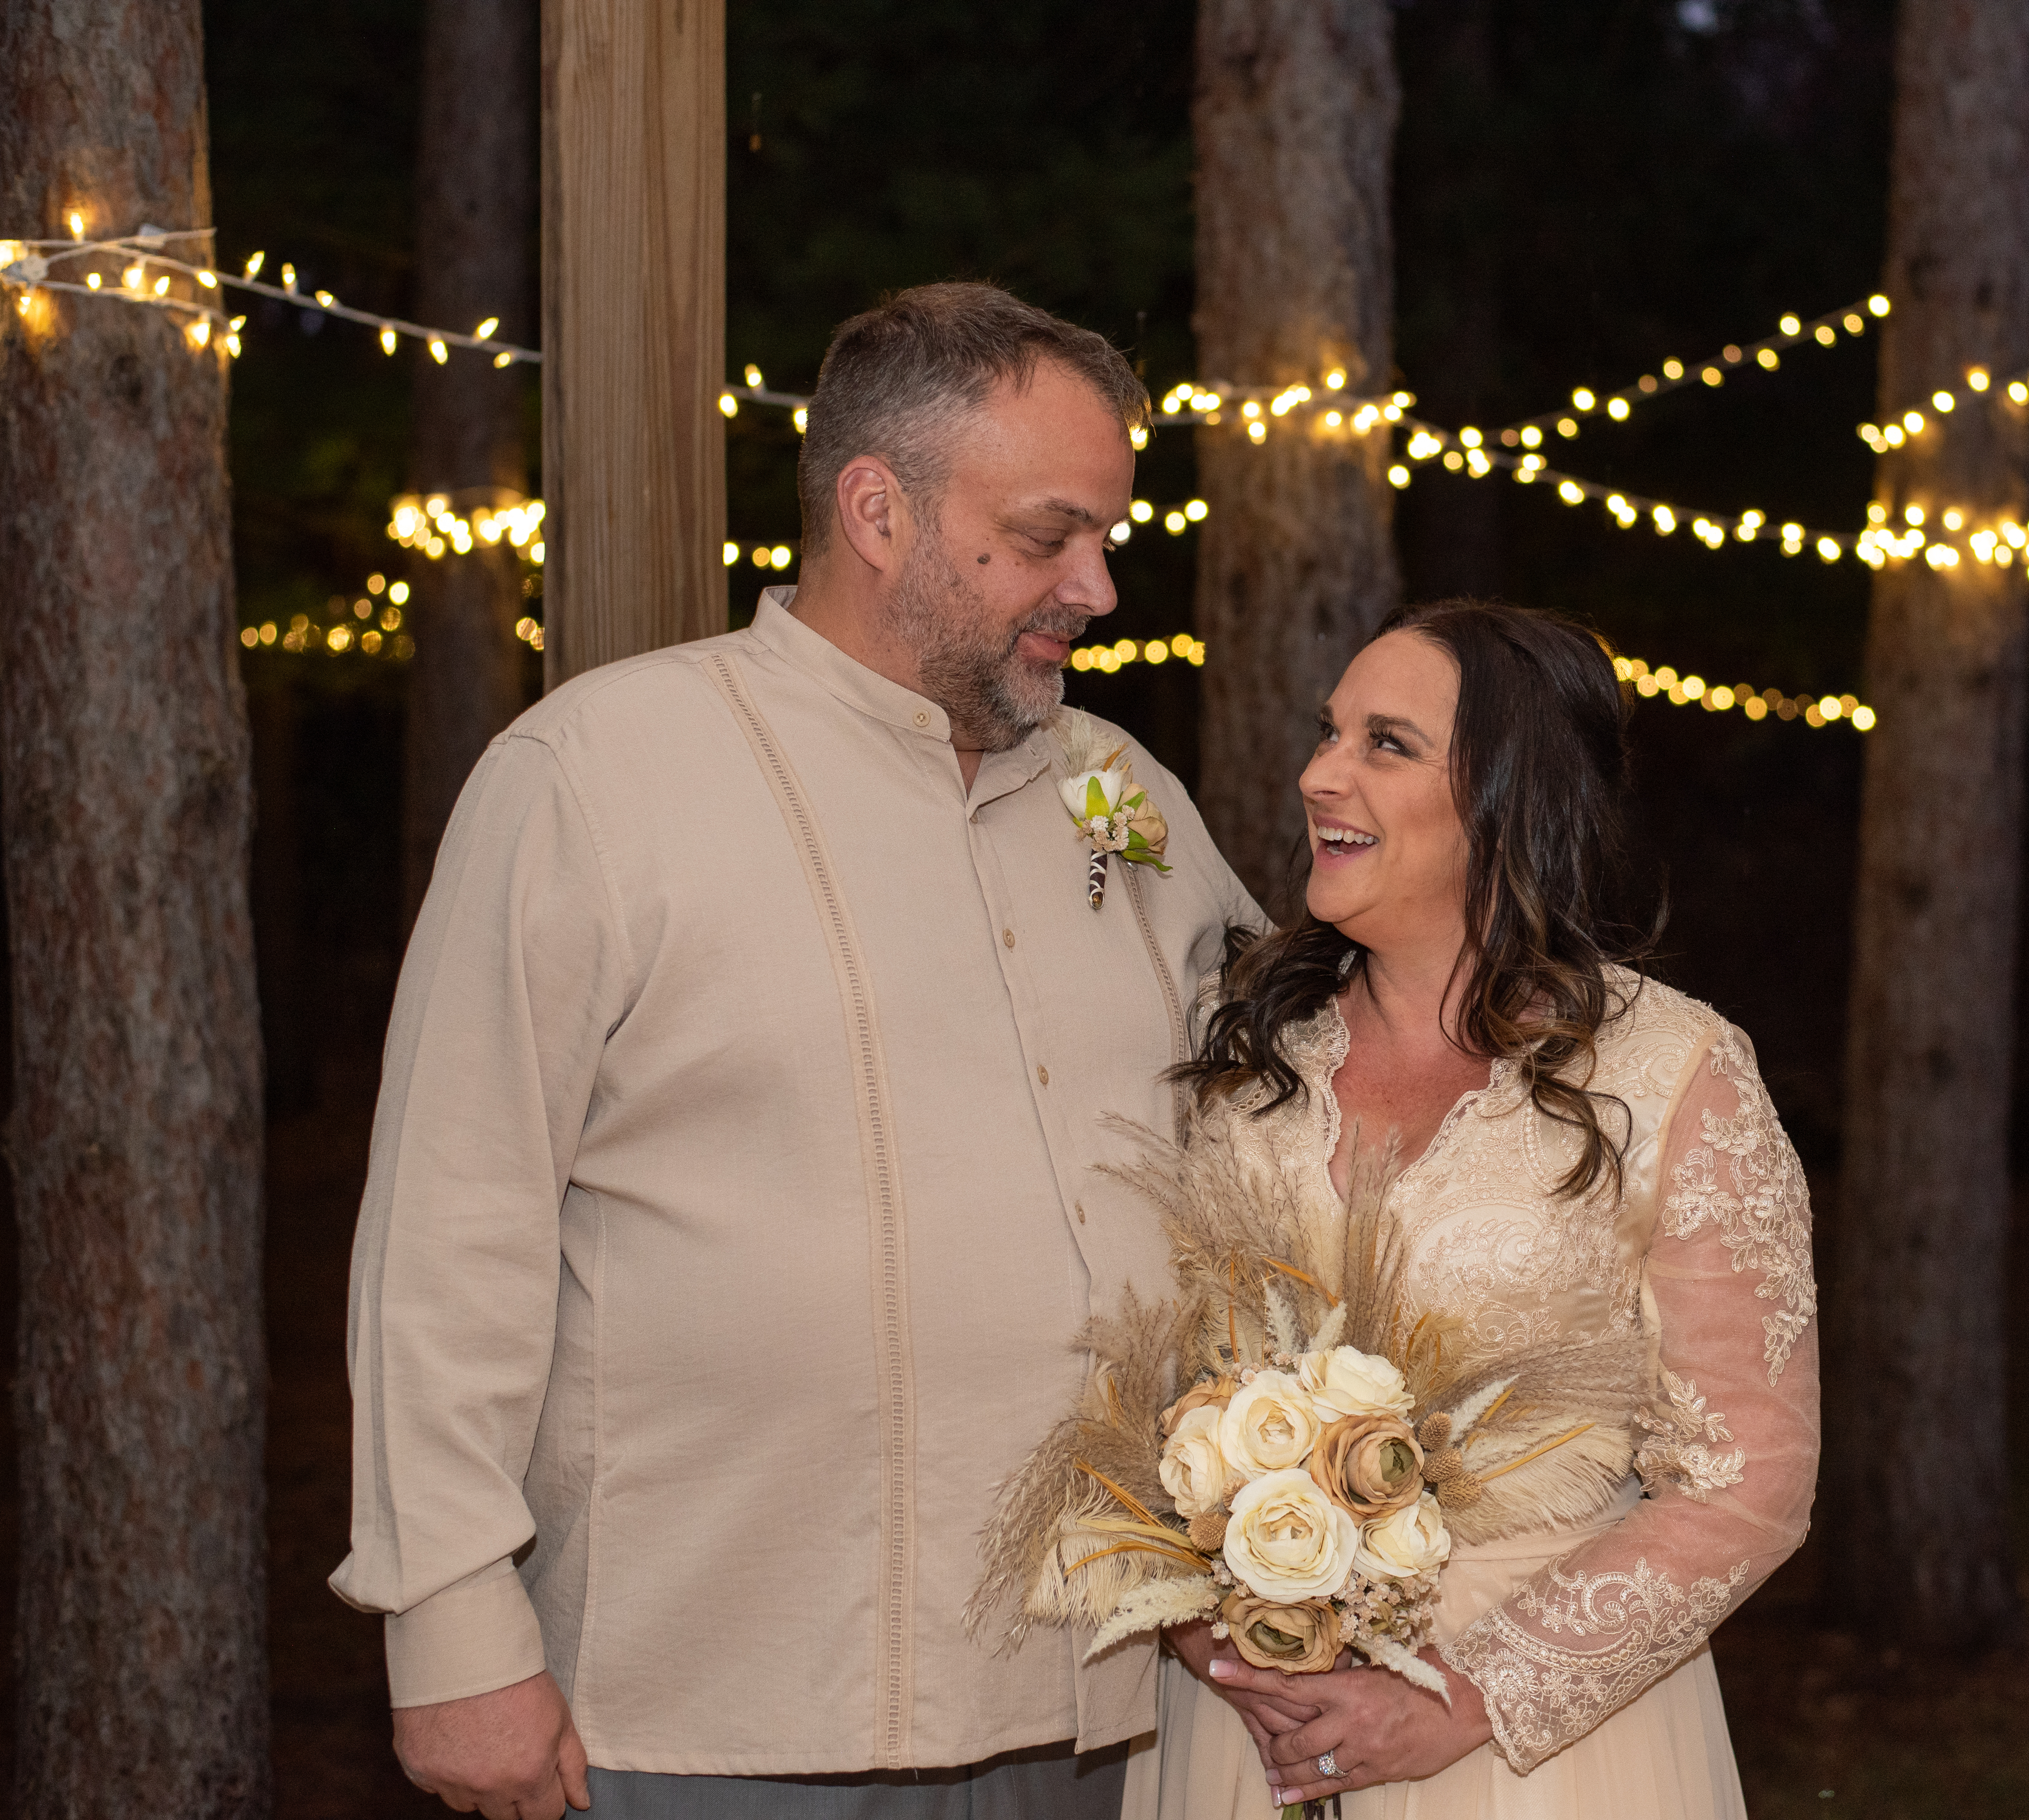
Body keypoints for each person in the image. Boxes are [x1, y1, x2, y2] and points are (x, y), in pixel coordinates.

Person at [333, 282, 1258, 1820]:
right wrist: (449, 1626)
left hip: (1100, 1699)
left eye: (1108, 537)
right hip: (711, 1700)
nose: (1097, 585)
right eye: (1047, 537)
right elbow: (450, 1226)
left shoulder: (1120, 788)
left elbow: (1288, 1083)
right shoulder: (596, 774)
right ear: (876, 509)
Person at [1129, 600, 1820, 1818]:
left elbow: (1746, 1479)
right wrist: (1203, 1625)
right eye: (1327, 734)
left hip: (1537, 1759)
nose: (1316, 775)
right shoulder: (1248, 1070)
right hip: (1253, 1733)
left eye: (1384, 745)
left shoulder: (1673, 1078)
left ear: (1511, 799)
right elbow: (1138, 1383)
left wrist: (1460, 1696)